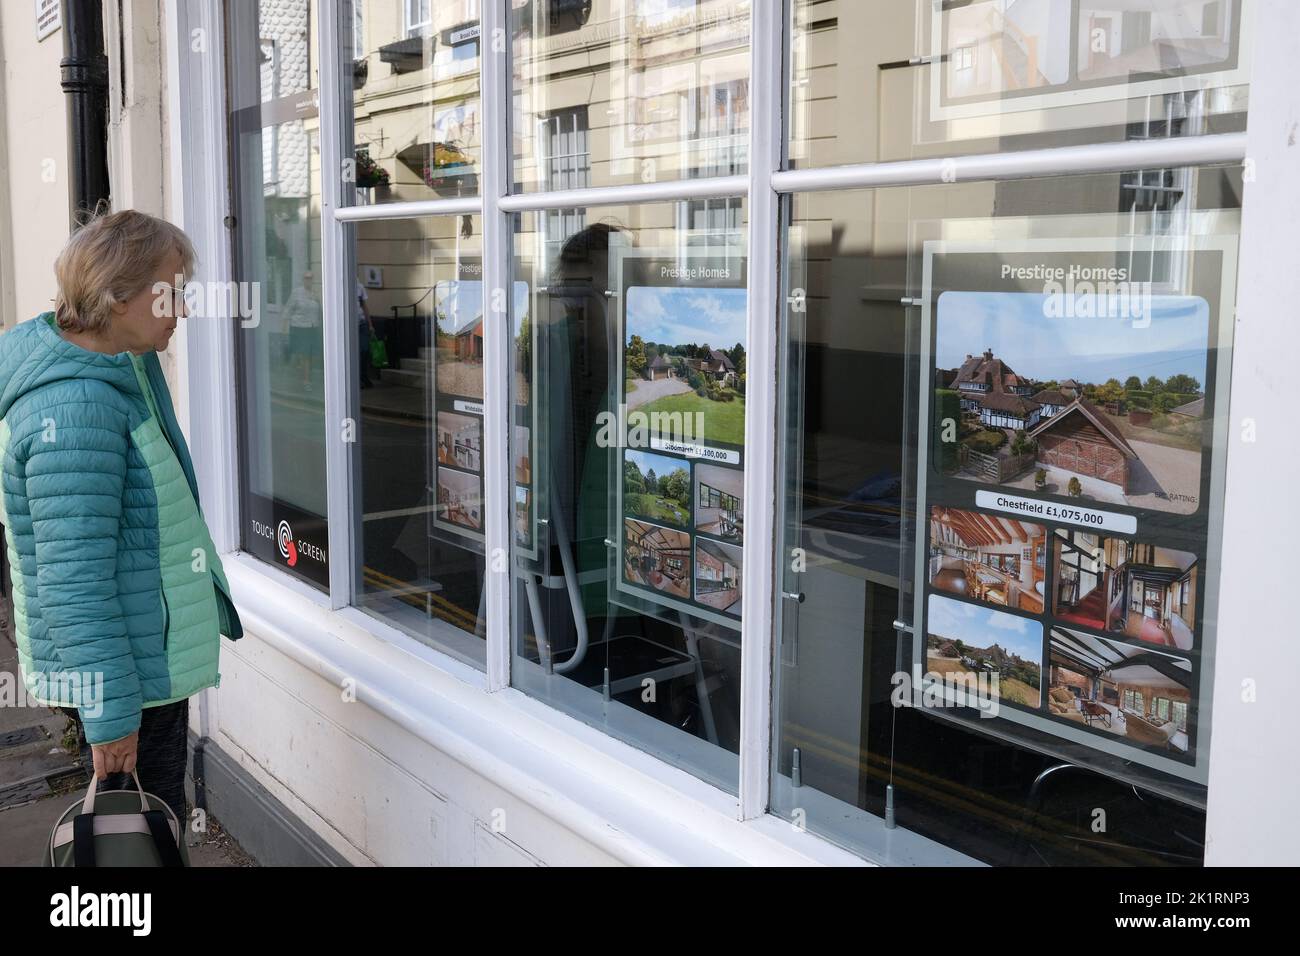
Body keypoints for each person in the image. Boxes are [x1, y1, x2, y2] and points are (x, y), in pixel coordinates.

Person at [0, 208, 243, 825]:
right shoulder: (75, 407)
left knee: (143, 825)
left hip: (138, 662)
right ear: (117, 296)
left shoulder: (113, 365)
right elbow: (73, 584)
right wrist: (110, 718)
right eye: (172, 292)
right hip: (128, 676)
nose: (182, 310)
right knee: (136, 831)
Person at [283, 270, 323, 391]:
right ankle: (306, 381)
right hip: (299, 328)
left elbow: (320, 310)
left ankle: (299, 371)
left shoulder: (316, 294)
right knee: (305, 355)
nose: (308, 280)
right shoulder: (296, 293)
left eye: (310, 278)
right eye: (306, 278)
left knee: (311, 355)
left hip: (313, 328)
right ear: (303, 279)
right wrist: (284, 328)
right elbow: (287, 310)